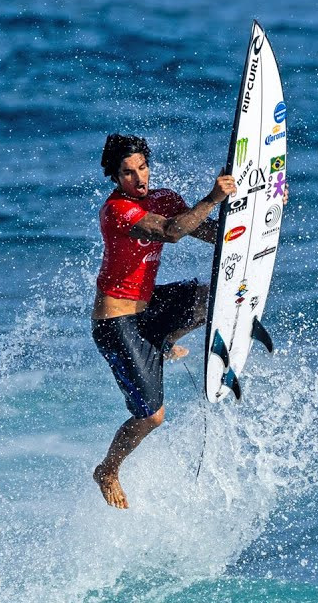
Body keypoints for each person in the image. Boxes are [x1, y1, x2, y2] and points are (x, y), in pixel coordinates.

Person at [91, 133, 235, 509]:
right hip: (116, 325)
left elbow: (205, 232)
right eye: (127, 173)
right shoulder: (117, 211)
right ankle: (107, 469)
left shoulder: (164, 198)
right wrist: (212, 198)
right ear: (114, 177)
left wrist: (255, 208)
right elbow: (172, 232)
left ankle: (163, 340)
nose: (139, 179)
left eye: (143, 168)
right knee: (152, 417)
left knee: (207, 297)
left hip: (148, 309)